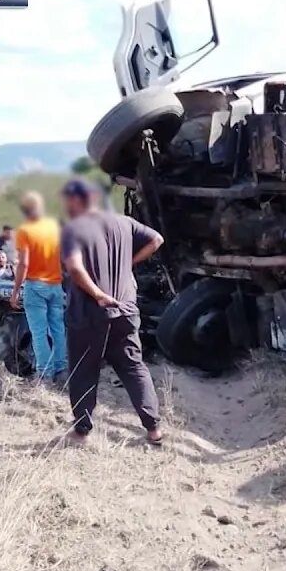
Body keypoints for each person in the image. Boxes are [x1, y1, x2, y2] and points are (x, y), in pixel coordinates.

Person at [58, 177, 165, 446]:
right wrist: (128, 264)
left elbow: (74, 266)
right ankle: (154, 429)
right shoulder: (123, 222)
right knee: (132, 366)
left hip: (89, 311)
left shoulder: (72, 229)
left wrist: (98, 294)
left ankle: (82, 431)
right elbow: (157, 239)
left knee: (83, 369)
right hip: (127, 308)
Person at [10, 192, 67, 382]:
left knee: (39, 332)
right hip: (56, 284)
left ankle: (44, 373)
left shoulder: (25, 230)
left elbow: (24, 264)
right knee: (58, 329)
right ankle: (61, 369)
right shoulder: (53, 228)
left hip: (36, 285)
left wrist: (16, 290)